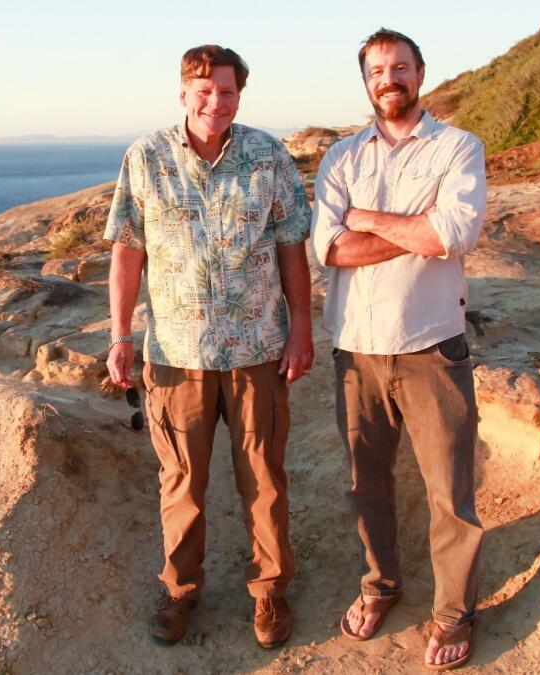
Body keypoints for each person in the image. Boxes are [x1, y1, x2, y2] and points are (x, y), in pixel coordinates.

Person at [103, 44, 313, 649]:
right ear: (183, 92)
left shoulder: (267, 153)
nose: (215, 102)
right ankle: (180, 590)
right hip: (174, 354)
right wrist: (120, 335)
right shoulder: (145, 157)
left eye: (227, 91)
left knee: (264, 479)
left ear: (239, 95)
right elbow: (127, 250)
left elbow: (292, 246)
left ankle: (270, 589)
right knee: (182, 481)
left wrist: (301, 328)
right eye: (204, 90)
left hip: (258, 350)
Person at [309, 28, 487, 670]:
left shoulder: (458, 147)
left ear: (420, 74)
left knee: (450, 493)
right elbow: (325, 248)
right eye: (378, 70)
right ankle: (381, 585)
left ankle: (453, 612)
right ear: (365, 81)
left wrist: (371, 220)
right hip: (355, 350)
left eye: (401, 67)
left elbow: (457, 231)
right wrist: (418, 230)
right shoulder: (342, 159)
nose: (390, 79)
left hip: (432, 347)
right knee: (367, 483)